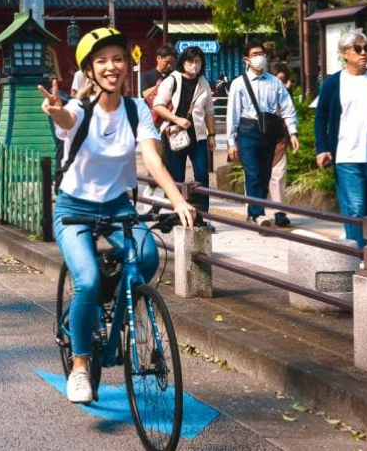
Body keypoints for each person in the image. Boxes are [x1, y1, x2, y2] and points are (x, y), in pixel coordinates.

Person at [39, 27, 196, 404]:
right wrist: (55, 109)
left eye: (118, 59)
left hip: (117, 207)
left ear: (127, 65)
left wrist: (177, 200)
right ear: (90, 71)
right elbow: (65, 119)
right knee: (88, 280)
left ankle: (110, 297)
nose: (112, 67)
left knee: (146, 255)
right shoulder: (79, 110)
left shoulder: (136, 109)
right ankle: (79, 366)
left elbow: (154, 160)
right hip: (73, 209)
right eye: (101, 61)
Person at [314, 30, 367, 248]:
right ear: (345, 54)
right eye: (358, 49)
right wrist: (322, 149)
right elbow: (320, 118)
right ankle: (359, 257)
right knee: (356, 209)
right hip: (346, 156)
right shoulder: (333, 83)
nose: (364, 53)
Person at [226, 41, 300, 227]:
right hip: (247, 131)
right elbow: (233, 113)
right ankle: (258, 213)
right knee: (253, 172)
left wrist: (292, 132)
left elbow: (287, 108)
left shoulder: (274, 82)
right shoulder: (239, 83)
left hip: (269, 132)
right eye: (254, 54)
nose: (259, 57)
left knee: (265, 173)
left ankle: (255, 211)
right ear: (246, 59)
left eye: (262, 53)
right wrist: (231, 141)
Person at [153, 46, 216, 221]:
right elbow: (158, 105)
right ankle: (176, 214)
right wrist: (177, 119)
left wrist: (212, 135)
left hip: (198, 137)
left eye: (197, 61)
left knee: (202, 176)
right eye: (190, 61)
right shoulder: (172, 80)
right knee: (176, 176)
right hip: (175, 135)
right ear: (182, 62)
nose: (194, 65)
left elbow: (209, 111)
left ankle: (202, 216)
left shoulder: (204, 83)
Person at [265, 62, 295, 223]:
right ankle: (256, 210)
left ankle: (279, 211)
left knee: (278, 174)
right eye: (281, 80)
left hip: (279, 140)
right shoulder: (261, 92)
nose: (285, 84)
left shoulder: (286, 97)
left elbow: (289, 116)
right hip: (259, 140)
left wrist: (292, 134)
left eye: (286, 81)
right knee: (258, 176)